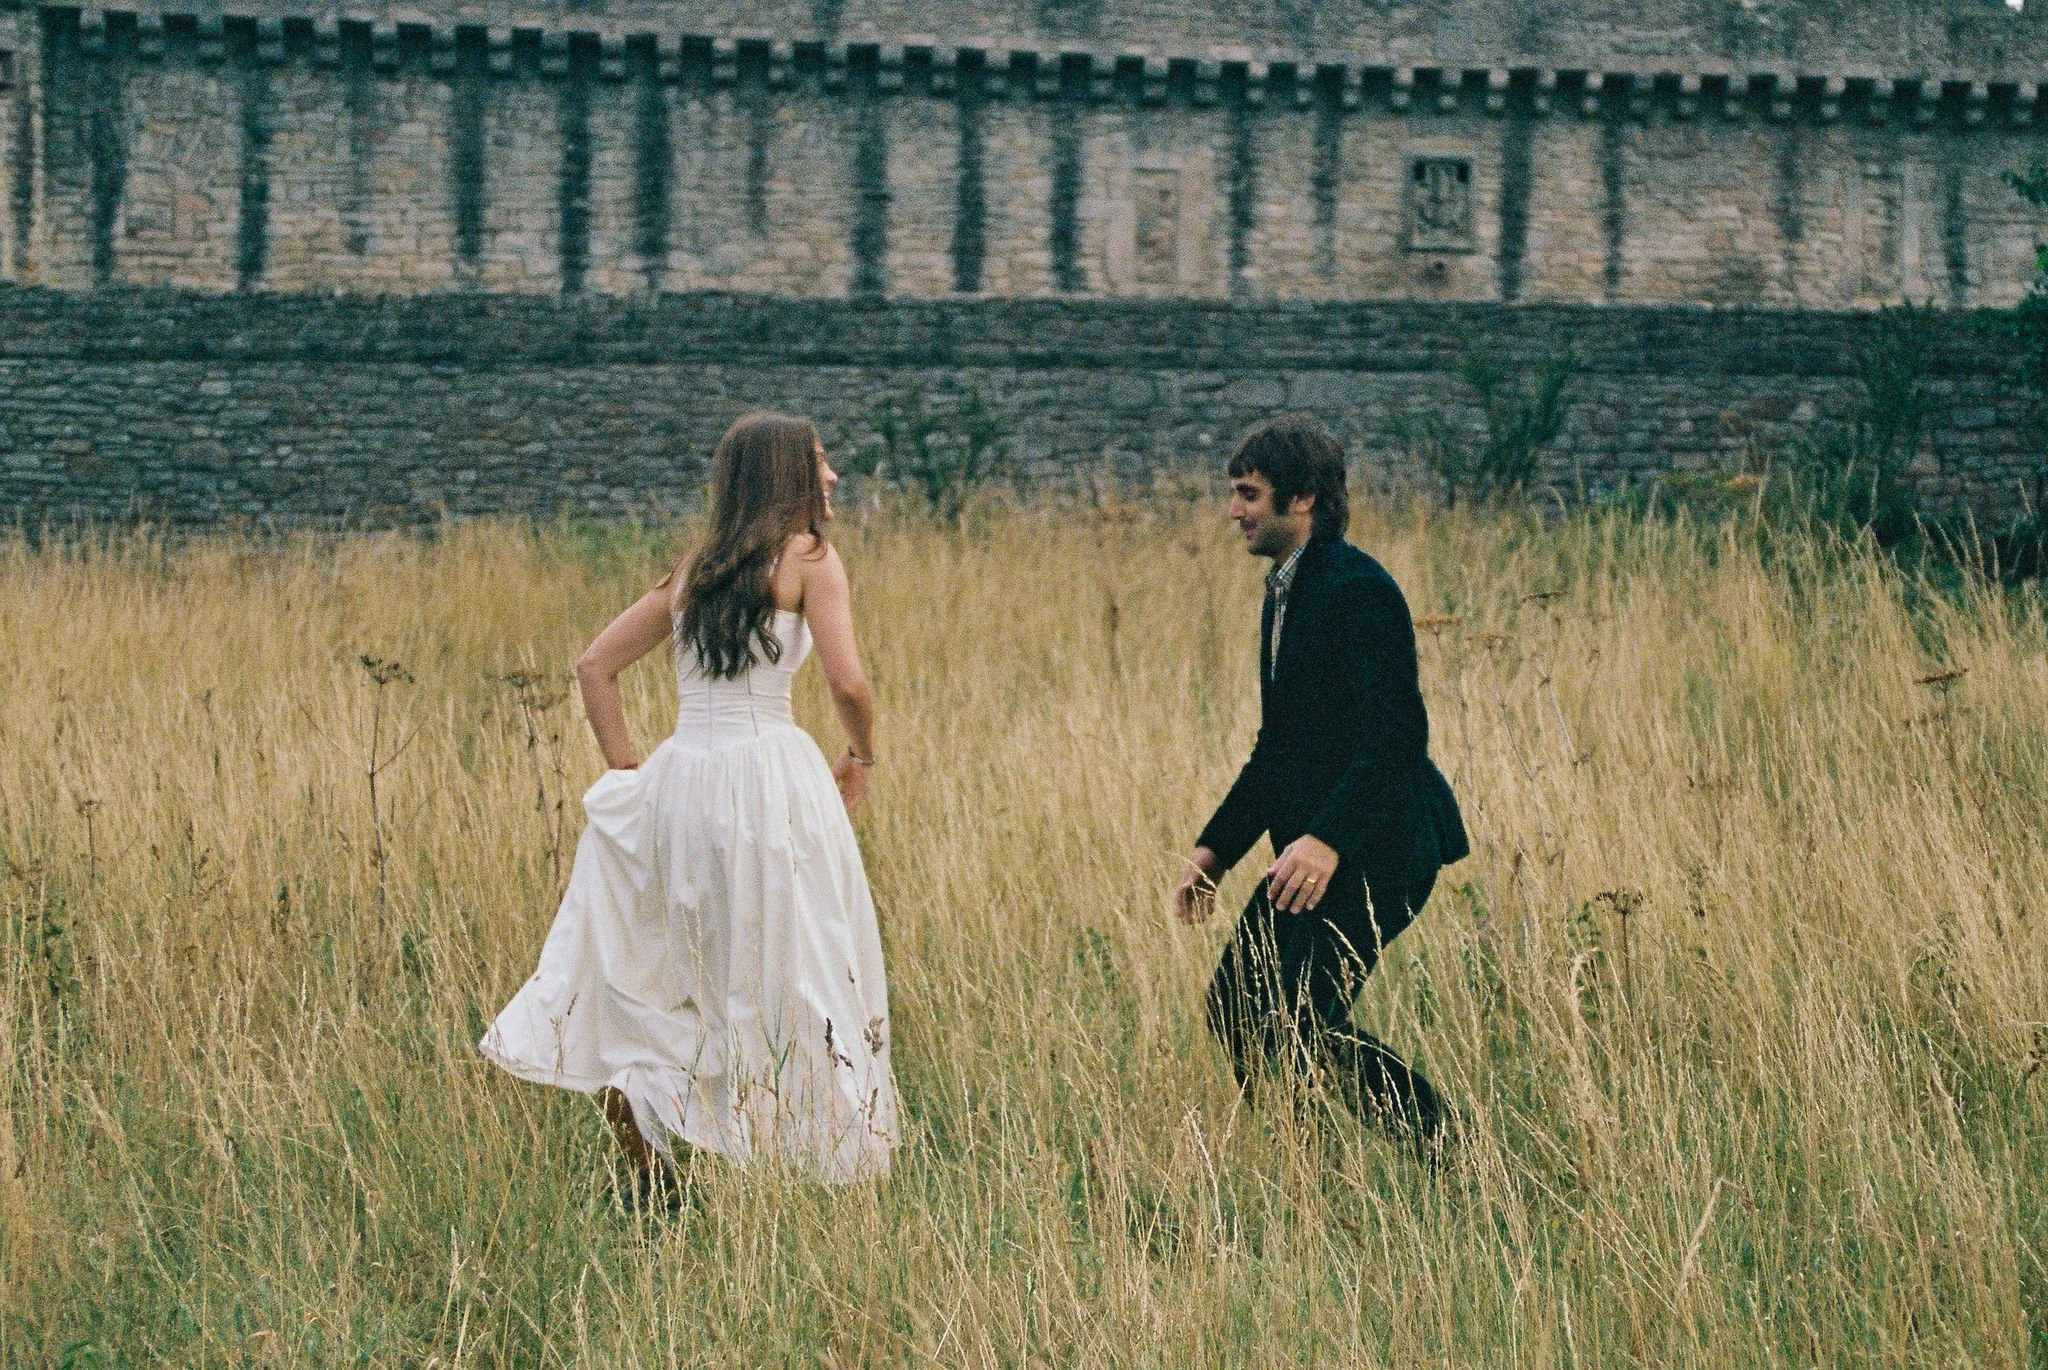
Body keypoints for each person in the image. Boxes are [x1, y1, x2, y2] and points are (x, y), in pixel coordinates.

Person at [481, 412, 898, 1193]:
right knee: (792, 965)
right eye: (818, 461)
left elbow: (595, 667)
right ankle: (799, 1154)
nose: (832, 475)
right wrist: (862, 754)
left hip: (681, 783)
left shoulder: (695, 570)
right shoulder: (809, 557)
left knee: (682, 968)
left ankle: (649, 1117)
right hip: (769, 778)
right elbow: (848, 683)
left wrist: (630, 775)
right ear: (784, 473)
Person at [1173, 414, 1469, 1155]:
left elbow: (1396, 736)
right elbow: (1280, 750)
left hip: (1383, 846)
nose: (1233, 510)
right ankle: (1305, 1165)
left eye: (1248, 493)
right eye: (1234, 493)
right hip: (1315, 855)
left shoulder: (1356, 588)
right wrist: (1214, 854)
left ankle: (1455, 1157)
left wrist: (1327, 840)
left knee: (1298, 1018)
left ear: (1302, 498)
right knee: (1239, 1009)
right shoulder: (1287, 590)